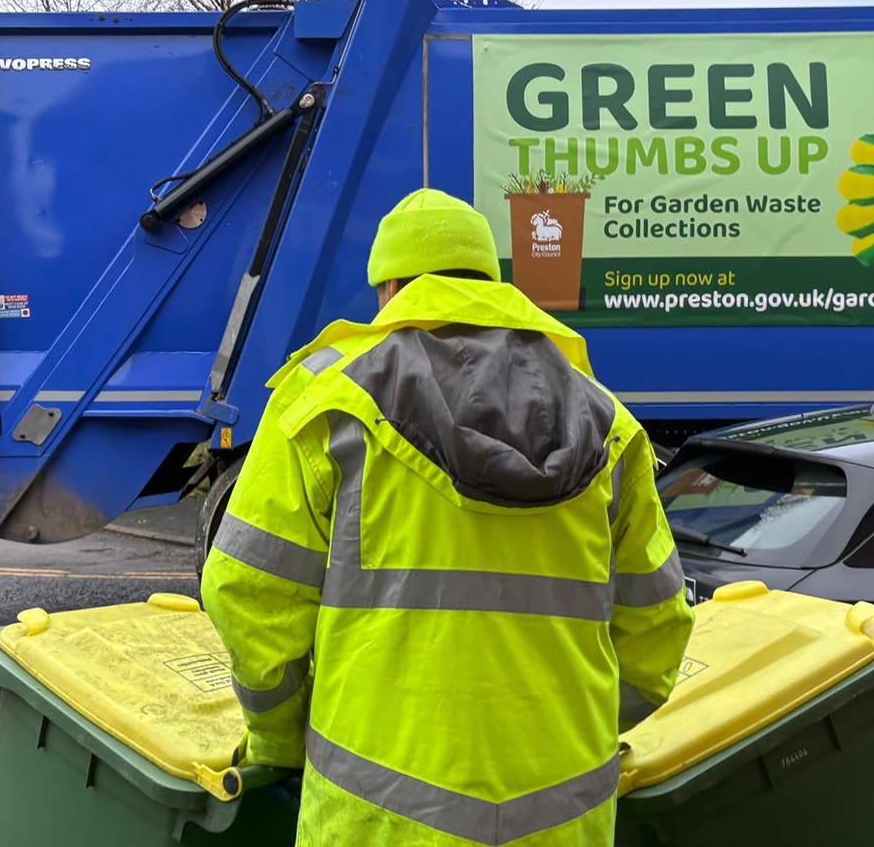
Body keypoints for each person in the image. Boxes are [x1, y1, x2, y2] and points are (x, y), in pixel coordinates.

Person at [202, 187, 696, 846]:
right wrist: (573, 735)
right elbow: (658, 628)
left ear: (393, 288)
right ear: (488, 281)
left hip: (373, 814)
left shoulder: (325, 405)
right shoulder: (605, 422)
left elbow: (248, 595)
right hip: (561, 816)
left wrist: (280, 737)